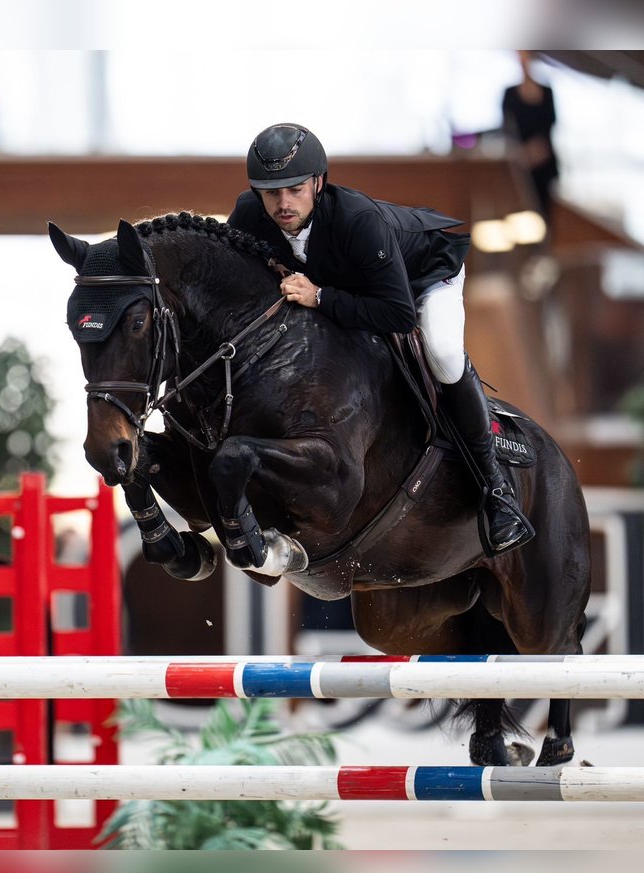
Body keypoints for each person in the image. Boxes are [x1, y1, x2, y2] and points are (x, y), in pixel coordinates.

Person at [227, 123, 534, 553]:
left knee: (442, 354)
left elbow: (397, 313)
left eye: (295, 189)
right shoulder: (248, 215)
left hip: (424, 278)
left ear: (318, 182)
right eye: (270, 192)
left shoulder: (358, 220)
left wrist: (320, 297)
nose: (282, 204)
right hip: (349, 288)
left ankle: (497, 492)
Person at [502, 51, 559, 224]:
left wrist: (539, 150)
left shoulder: (547, 92)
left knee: (545, 213)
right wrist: (522, 153)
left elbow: (552, 123)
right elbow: (506, 128)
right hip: (520, 164)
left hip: (545, 161)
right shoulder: (510, 93)